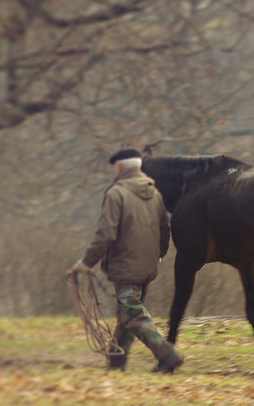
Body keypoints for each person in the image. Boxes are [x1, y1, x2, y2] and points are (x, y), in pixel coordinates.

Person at [67, 147, 183, 373]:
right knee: (127, 313)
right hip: (148, 266)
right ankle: (116, 362)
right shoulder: (156, 194)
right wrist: (158, 256)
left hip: (126, 266)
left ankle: (167, 354)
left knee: (132, 314)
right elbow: (164, 230)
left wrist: (86, 263)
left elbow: (105, 234)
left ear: (119, 167)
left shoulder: (116, 194)